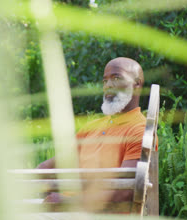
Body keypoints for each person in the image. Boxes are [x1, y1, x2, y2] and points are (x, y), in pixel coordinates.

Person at [37, 57, 146, 205]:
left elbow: (124, 192)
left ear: (137, 84)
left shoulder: (138, 130)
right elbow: (51, 166)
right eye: (105, 80)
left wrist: (66, 202)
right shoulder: (92, 127)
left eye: (116, 78)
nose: (108, 85)